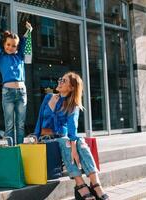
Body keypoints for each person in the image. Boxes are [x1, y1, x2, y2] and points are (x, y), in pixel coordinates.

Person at [34, 72, 109, 200]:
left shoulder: (72, 104)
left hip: (63, 138)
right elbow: (40, 118)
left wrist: (74, 146)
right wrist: (35, 136)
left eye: (64, 81)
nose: (60, 82)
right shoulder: (48, 97)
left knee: (78, 141)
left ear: (72, 87)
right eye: (60, 79)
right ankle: (82, 185)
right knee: (67, 142)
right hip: (46, 138)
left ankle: (94, 183)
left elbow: (72, 129)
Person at [0, 20, 33, 146]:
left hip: (22, 92)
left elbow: (25, 39)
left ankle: (19, 148)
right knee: (9, 124)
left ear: (17, 47)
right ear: (4, 43)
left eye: (14, 46)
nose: (11, 47)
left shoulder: (20, 56)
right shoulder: (0, 56)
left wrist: (29, 29)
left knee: (21, 124)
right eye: (8, 44)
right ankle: (11, 150)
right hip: (7, 92)